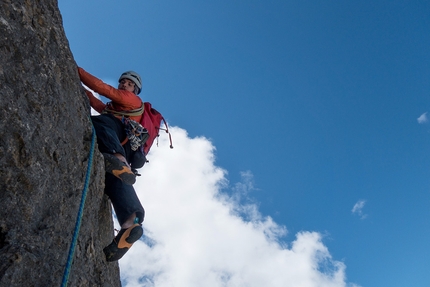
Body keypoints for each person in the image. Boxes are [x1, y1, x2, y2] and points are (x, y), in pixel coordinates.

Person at [78, 67, 146, 262]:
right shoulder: (117, 108)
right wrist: (85, 92)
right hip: (122, 144)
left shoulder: (132, 100)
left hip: (117, 139)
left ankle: (119, 160)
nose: (124, 84)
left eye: (130, 84)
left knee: (100, 122)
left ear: (135, 90)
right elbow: (99, 103)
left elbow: (104, 89)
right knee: (115, 180)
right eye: (123, 82)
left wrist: (76, 70)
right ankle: (130, 222)